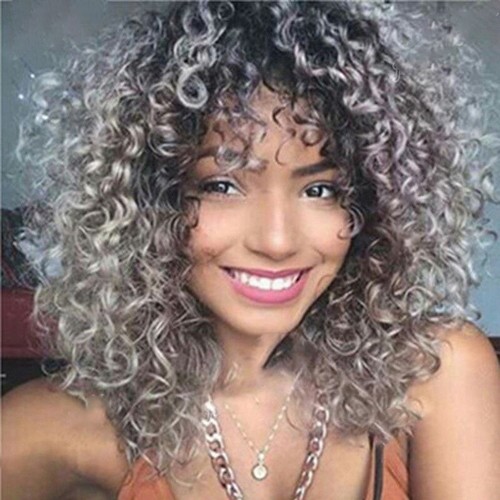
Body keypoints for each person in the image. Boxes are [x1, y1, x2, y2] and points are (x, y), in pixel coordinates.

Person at [2, 1, 500, 499]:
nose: (277, 242)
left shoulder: (434, 372)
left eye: (321, 190)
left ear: (371, 207)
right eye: (222, 186)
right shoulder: (68, 428)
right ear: (149, 203)